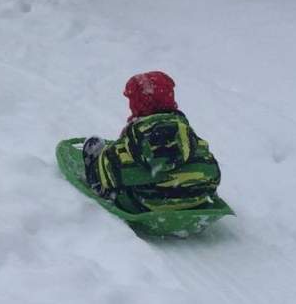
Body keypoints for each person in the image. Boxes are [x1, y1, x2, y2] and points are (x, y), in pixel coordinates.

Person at [82, 71, 221, 213]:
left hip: (145, 205)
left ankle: (96, 176)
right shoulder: (188, 136)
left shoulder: (135, 139)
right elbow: (215, 174)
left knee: (112, 164)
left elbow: (112, 171)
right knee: (198, 159)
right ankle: (188, 188)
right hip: (195, 202)